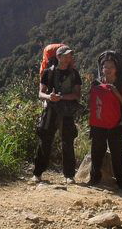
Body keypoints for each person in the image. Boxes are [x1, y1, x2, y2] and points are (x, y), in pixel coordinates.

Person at [32, 45, 82, 184]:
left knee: (68, 142)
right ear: (58, 57)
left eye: (69, 55)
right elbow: (41, 93)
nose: (68, 58)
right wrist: (50, 98)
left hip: (66, 112)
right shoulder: (48, 72)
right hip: (51, 110)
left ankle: (69, 175)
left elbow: (77, 95)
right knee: (45, 141)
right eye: (65, 55)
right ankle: (38, 173)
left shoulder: (74, 74)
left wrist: (59, 97)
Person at [87, 50, 122, 190]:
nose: (108, 69)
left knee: (118, 154)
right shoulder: (96, 84)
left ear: (116, 69)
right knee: (96, 153)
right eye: (105, 67)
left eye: (111, 66)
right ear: (102, 69)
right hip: (99, 125)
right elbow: (92, 103)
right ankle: (94, 179)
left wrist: (116, 92)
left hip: (117, 124)